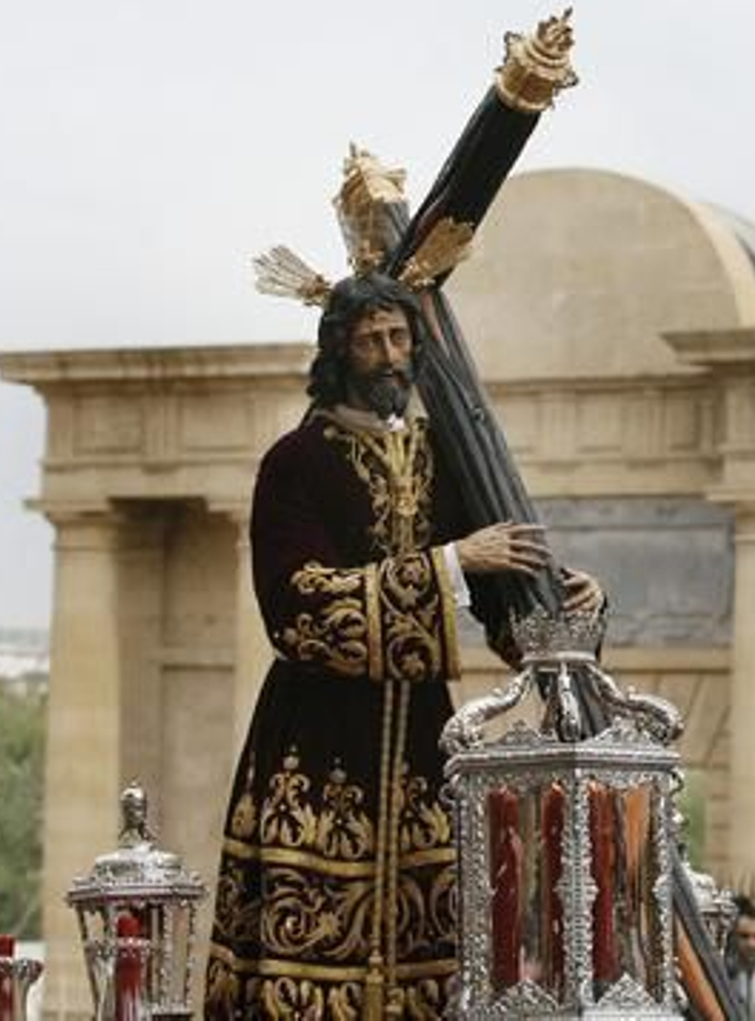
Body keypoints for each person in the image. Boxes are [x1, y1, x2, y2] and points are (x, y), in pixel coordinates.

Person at [204, 274, 603, 1018]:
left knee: (437, 952)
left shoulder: (444, 458)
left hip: (421, 737)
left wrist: (569, 609)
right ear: (339, 351)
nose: (390, 356)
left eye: (399, 338)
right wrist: (450, 564)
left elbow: (506, 617)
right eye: (371, 341)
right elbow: (295, 603)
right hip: (316, 740)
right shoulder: (295, 462)